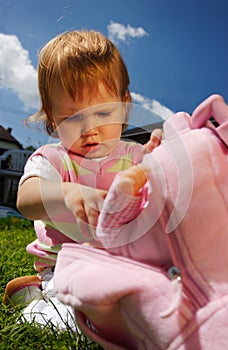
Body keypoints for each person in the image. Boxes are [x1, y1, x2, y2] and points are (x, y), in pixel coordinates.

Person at [3, 29, 161, 330]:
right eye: (73, 118)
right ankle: (36, 302)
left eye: (103, 113)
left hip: (126, 262)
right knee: (81, 323)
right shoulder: (52, 159)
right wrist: (64, 192)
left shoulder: (135, 154)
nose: (89, 129)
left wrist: (161, 156)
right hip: (66, 266)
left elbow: (160, 182)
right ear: (51, 118)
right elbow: (26, 200)